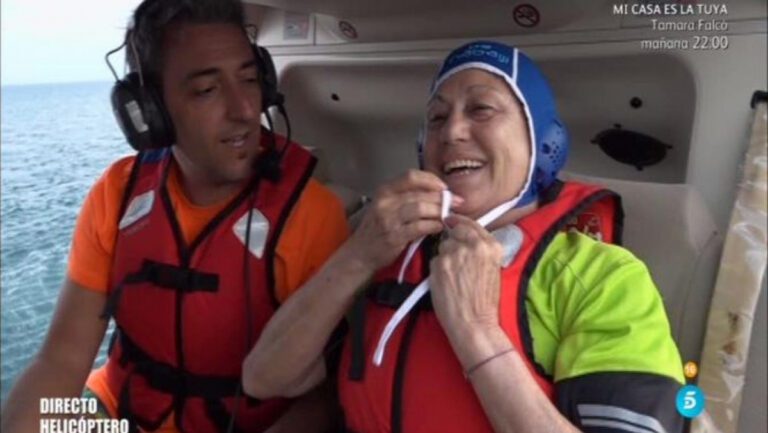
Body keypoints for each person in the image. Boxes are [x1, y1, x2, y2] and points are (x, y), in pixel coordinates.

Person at [243, 41, 686, 432]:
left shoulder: (601, 277)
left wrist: (477, 332)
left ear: (541, 140)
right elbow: (263, 378)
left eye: (481, 110)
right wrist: (357, 257)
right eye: (437, 118)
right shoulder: (382, 249)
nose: (451, 131)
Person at [0, 1, 349, 432]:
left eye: (248, 79)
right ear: (150, 111)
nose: (244, 109)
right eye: (207, 90)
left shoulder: (311, 215)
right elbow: (62, 360)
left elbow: (325, 397)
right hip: (114, 416)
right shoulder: (117, 193)